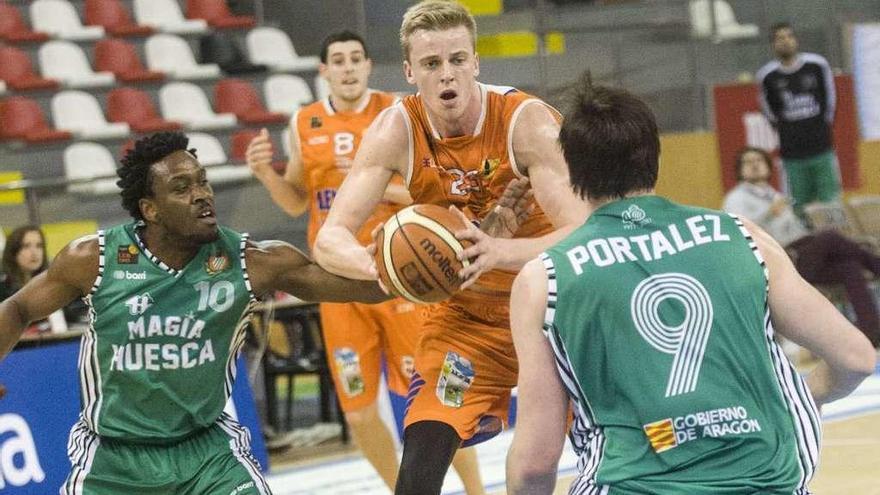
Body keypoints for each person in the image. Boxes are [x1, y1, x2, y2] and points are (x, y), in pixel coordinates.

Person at [506, 74, 876, 494]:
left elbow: (536, 463)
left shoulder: (544, 278)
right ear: (655, 158)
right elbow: (857, 357)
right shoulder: (740, 234)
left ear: (571, 170)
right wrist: (812, 392)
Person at [0, 131, 393, 494]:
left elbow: (356, 287)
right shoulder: (96, 259)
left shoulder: (248, 261)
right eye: (182, 188)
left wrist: (416, 270)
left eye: (202, 181)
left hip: (208, 455)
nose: (202, 194)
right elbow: (18, 307)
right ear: (150, 210)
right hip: (114, 459)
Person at [313, 2, 588, 493]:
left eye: (458, 60)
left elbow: (587, 231)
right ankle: (474, 407)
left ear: (477, 63)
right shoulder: (396, 129)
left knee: (584, 459)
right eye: (432, 64)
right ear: (409, 71)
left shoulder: (527, 123)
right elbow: (329, 239)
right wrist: (380, 267)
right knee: (419, 462)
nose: (448, 75)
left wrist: (498, 252)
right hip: (468, 320)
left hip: (555, 308)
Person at [245, 29, 484, 493]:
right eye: (338, 60)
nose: (348, 67)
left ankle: (478, 491)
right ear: (324, 71)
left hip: (401, 274)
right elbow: (298, 202)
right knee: (357, 407)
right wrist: (264, 173)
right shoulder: (304, 123)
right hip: (337, 282)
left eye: (356, 58)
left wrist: (368, 184)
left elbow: (430, 189)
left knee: (435, 397)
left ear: (370, 66)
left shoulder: (399, 112)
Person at [723, 146, 880, 348]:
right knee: (829, 237)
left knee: (850, 267)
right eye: (748, 162)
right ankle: (875, 264)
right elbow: (737, 232)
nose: (754, 165)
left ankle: (872, 332)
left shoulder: (774, 194)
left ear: (769, 167)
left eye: (759, 160)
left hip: (805, 252)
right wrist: (769, 214)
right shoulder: (736, 199)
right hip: (782, 259)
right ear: (739, 170)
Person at [757, 22, 841, 217]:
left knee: (832, 204)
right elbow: (770, 112)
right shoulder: (767, 76)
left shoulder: (817, 65)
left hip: (822, 149)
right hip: (792, 154)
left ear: (796, 40)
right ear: (773, 45)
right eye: (780, 38)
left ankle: (836, 242)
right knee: (798, 206)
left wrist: (818, 129)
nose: (785, 41)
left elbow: (830, 103)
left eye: (789, 36)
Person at [0, 225, 67, 334]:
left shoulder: (56, 285)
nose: (34, 252)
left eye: (39, 246)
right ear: (13, 251)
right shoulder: (3, 290)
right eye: (26, 246)